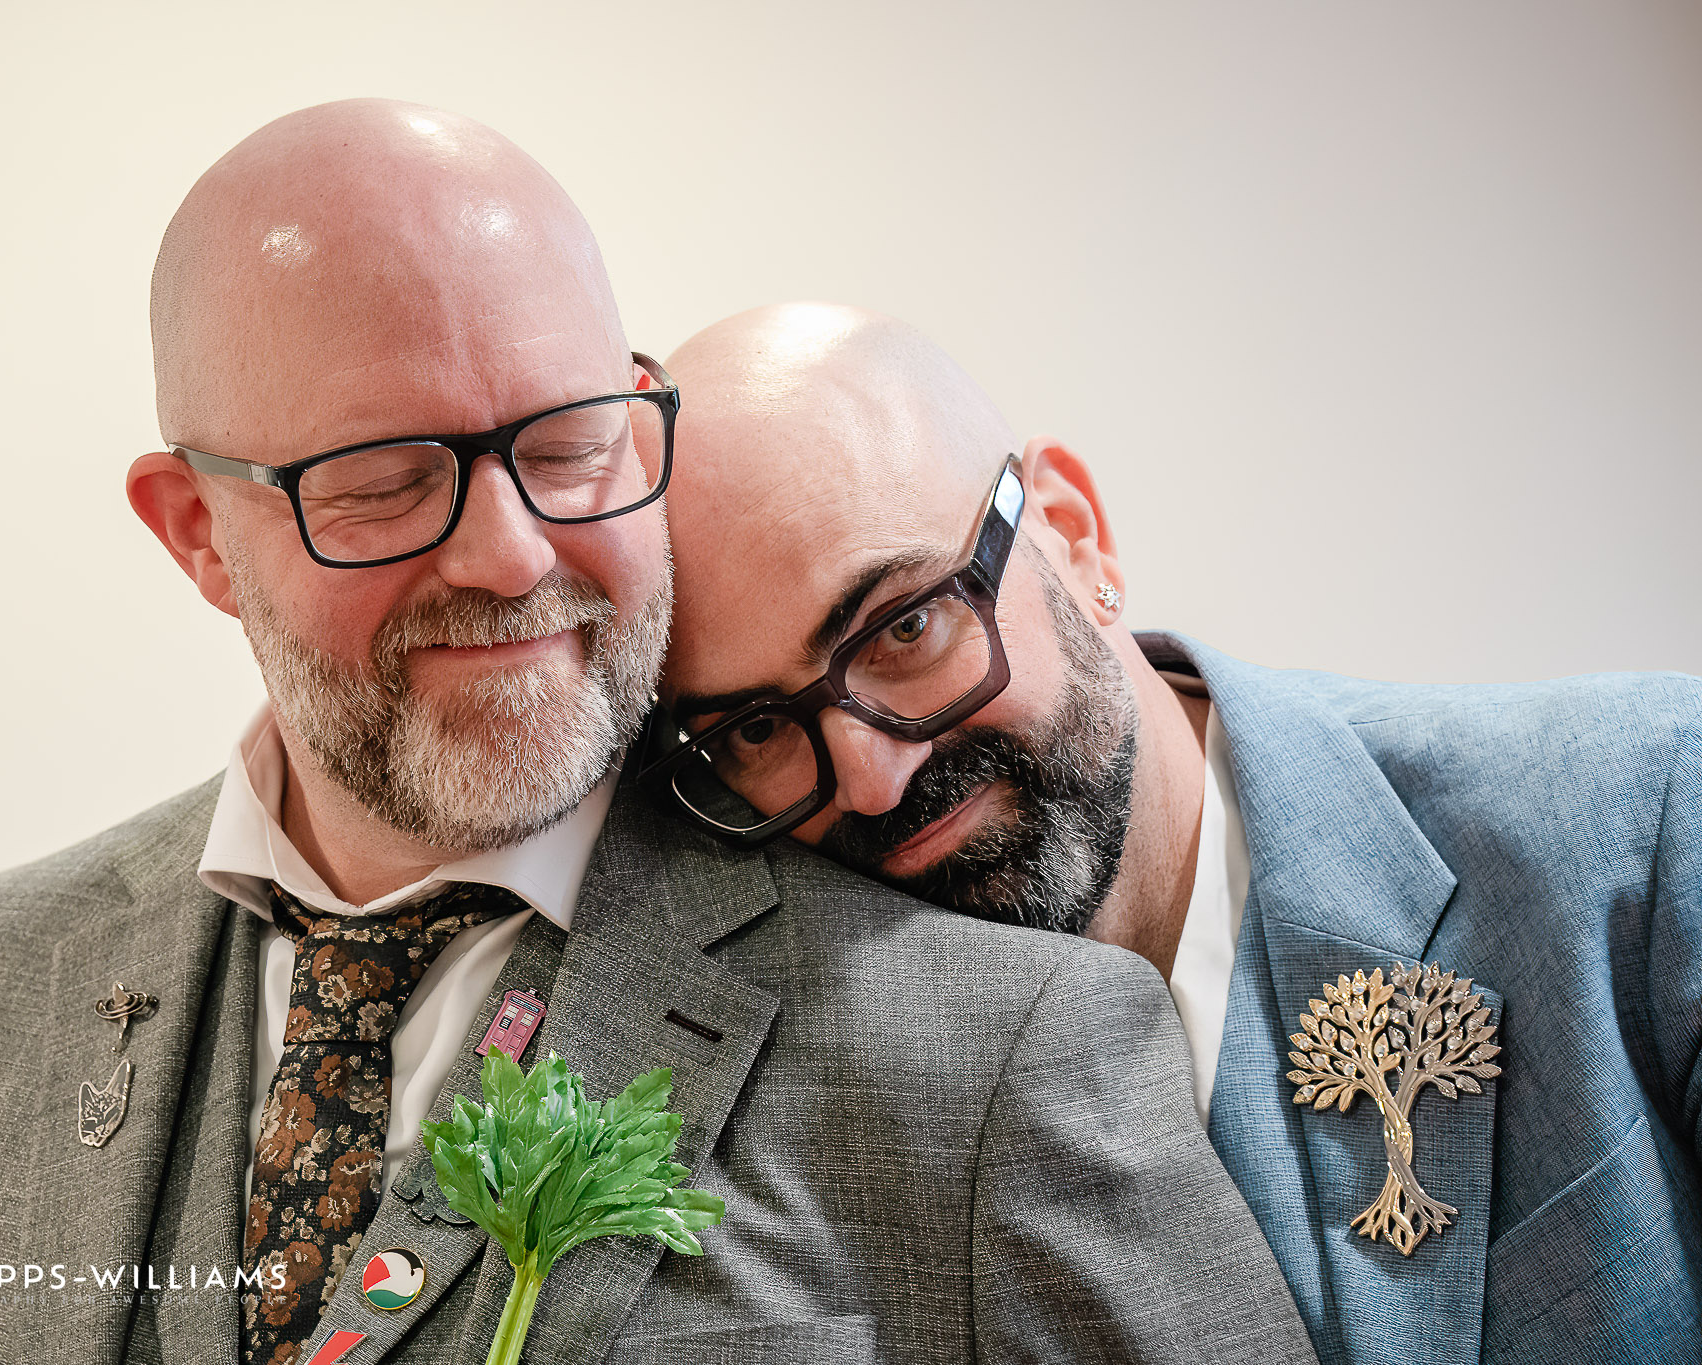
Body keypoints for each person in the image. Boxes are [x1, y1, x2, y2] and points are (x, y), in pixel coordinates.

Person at [0, 107, 1312, 1365]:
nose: (512, 555)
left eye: (569, 446)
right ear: (198, 532)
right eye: (387, 480)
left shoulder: (1003, 1053)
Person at [643, 301, 1702, 1365]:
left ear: (1074, 533)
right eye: (758, 728)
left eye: (906, 627)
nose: (873, 782)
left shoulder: (1644, 806)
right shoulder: (804, 1115)